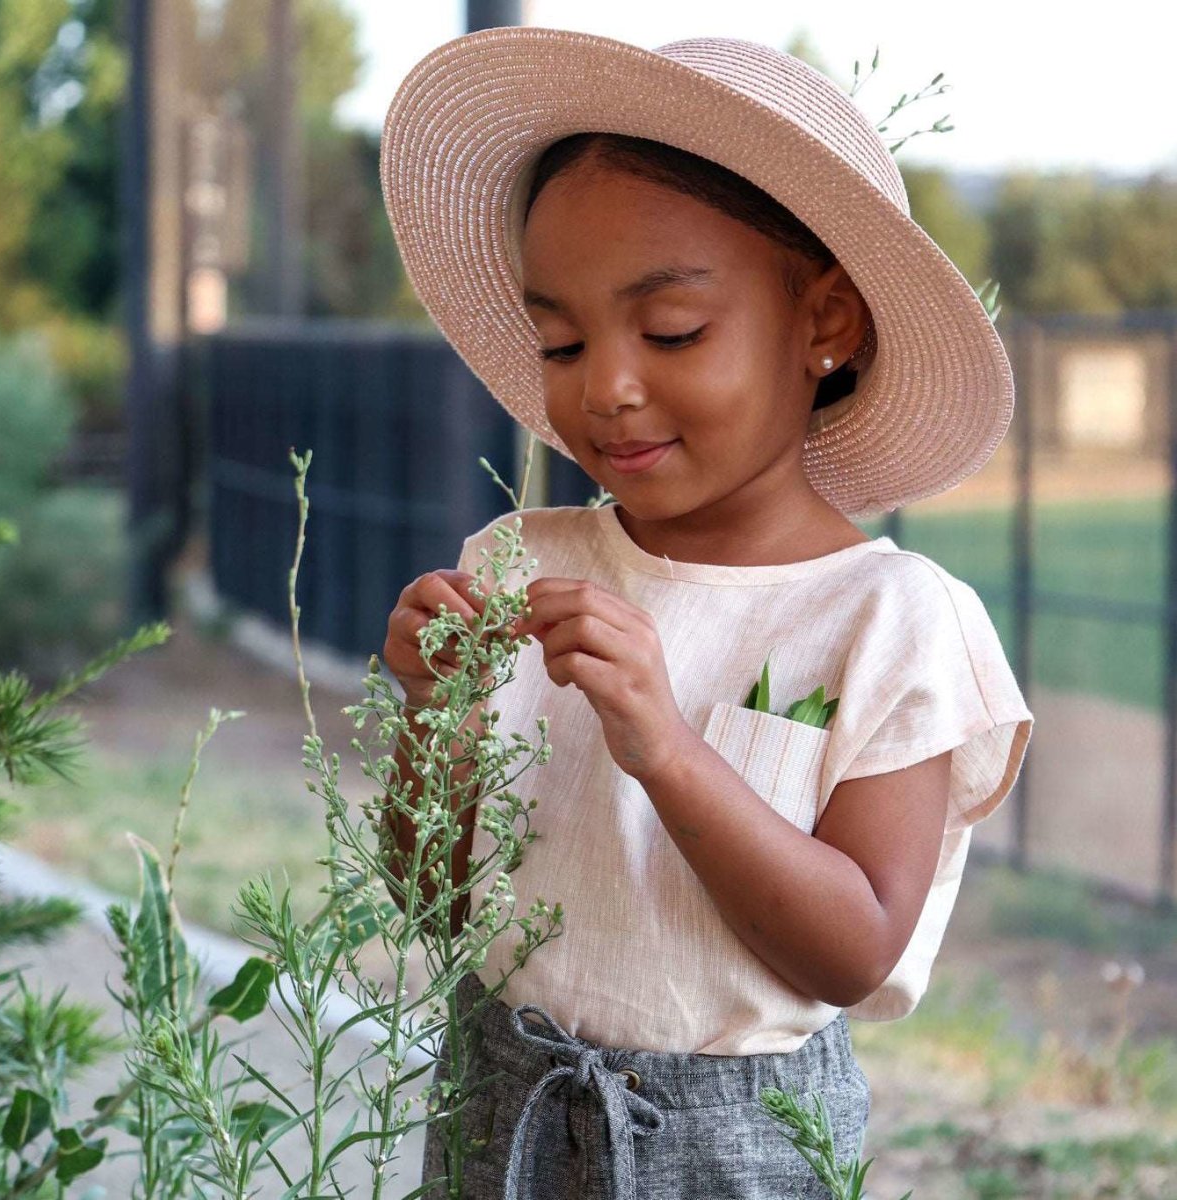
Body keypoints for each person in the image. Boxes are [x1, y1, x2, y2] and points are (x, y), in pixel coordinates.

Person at [378, 26, 1035, 1200]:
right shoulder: (520, 564)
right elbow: (431, 898)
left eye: (671, 331)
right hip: (500, 1097)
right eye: (562, 340)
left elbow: (853, 948)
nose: (607, 386)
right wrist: (436, 717)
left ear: (826, 326)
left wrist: (668, 748)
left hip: (739, 1141)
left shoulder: (888, 618)